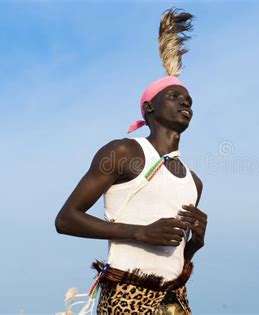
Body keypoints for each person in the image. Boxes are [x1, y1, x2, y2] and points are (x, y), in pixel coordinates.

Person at [55, 8, 207, 315]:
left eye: (187, 98)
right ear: (149, 108)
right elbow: (66, 219)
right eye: (174, 96)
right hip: (127, 295)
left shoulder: (194, 182)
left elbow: (174, 257)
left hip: (175, 300)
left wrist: (195, 244)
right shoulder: (124, 152)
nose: (185, 101)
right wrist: (139, 232)